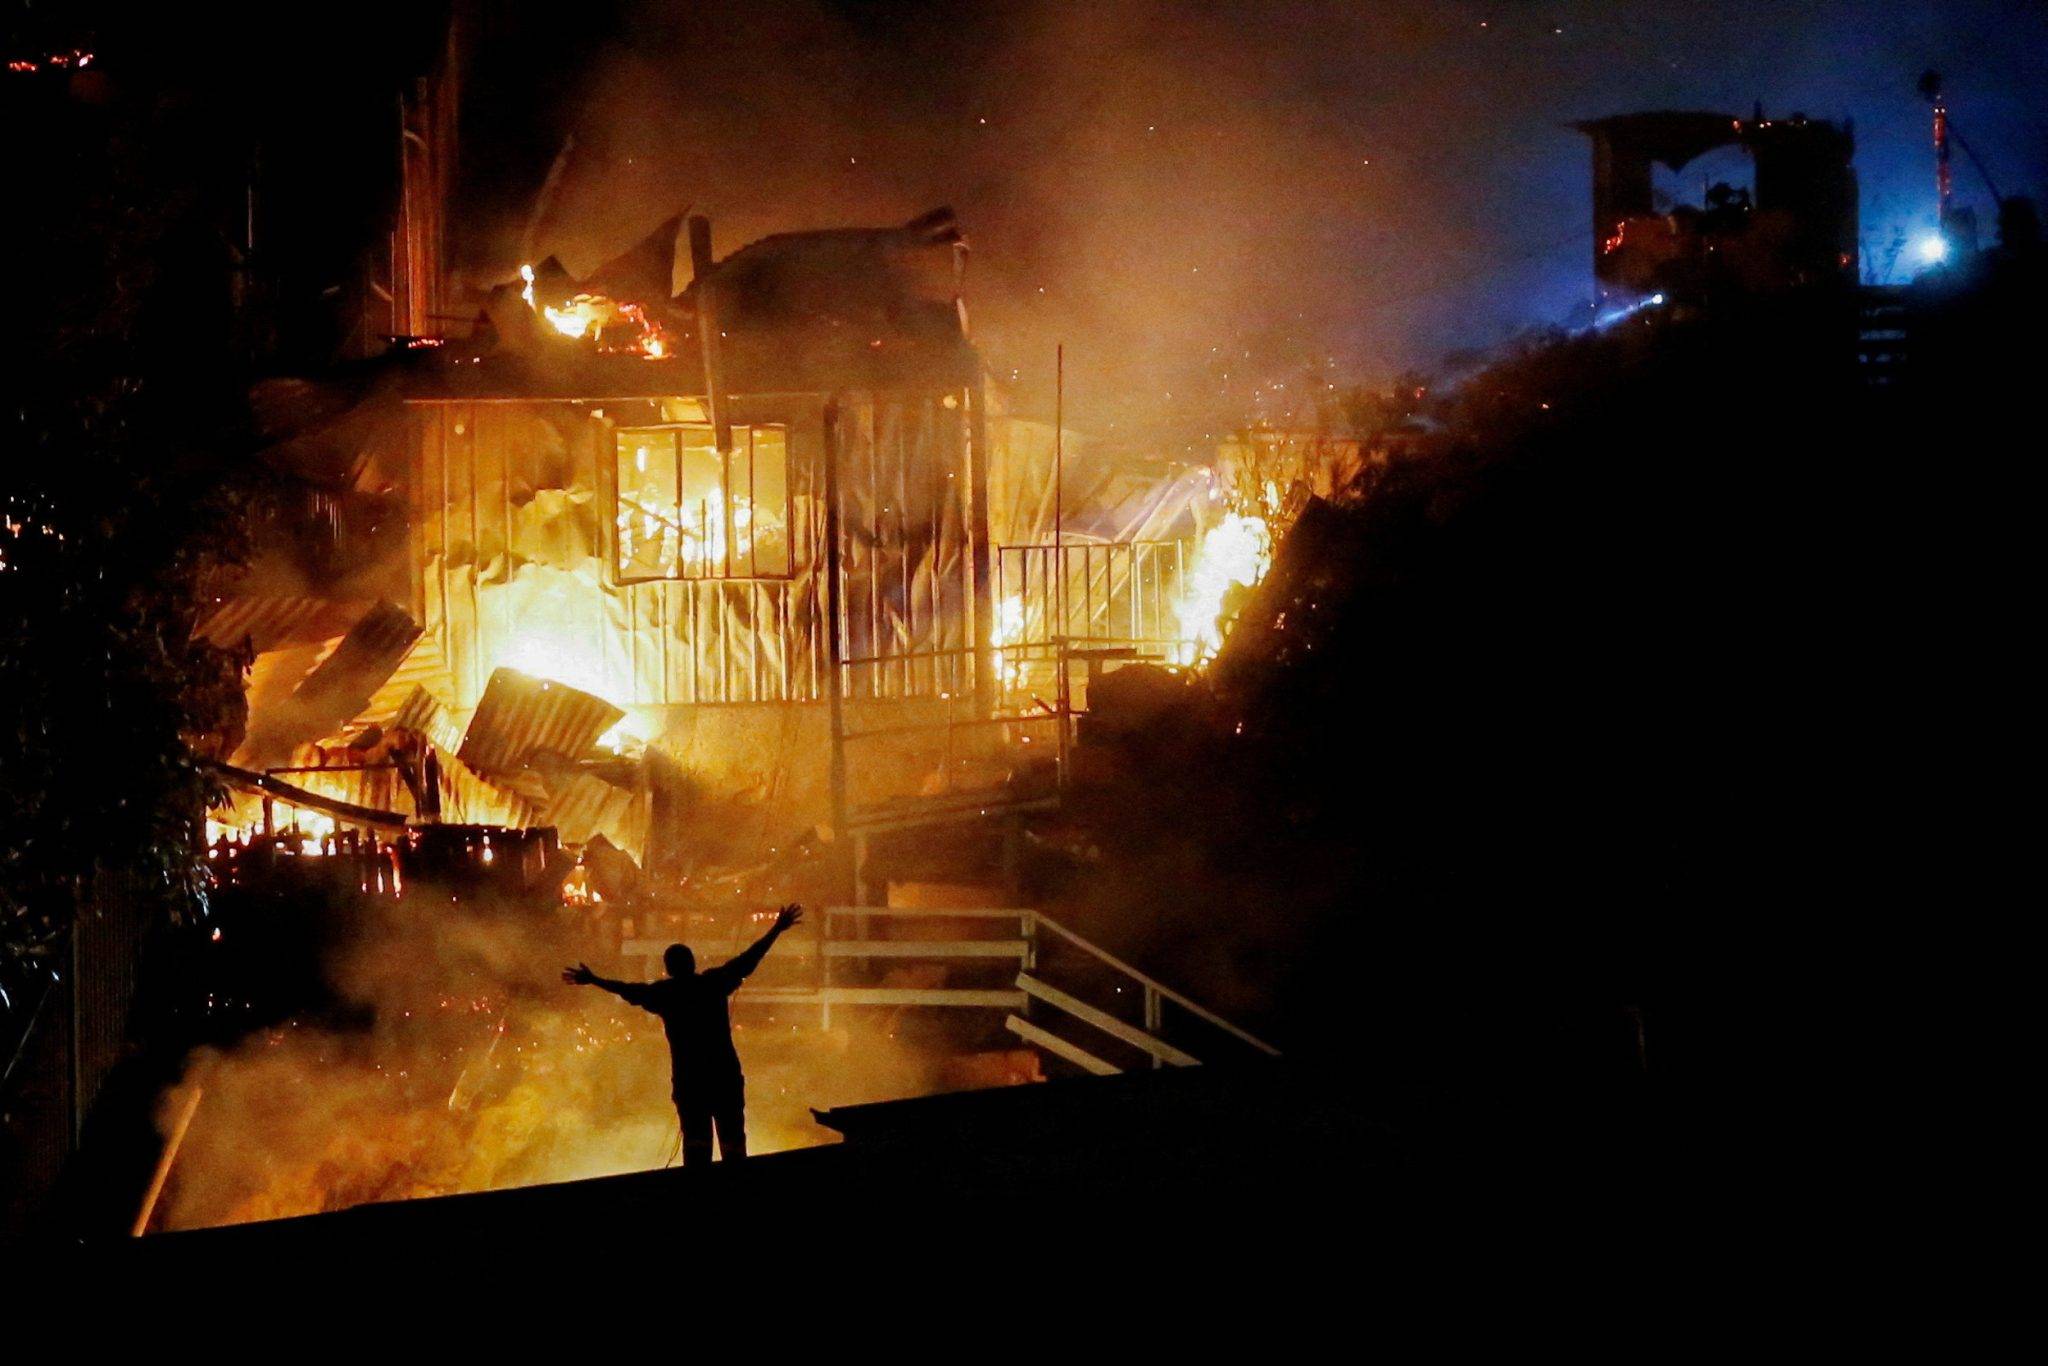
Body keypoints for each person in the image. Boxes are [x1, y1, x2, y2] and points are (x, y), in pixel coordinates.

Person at [563, 904, 803, 1166]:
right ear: (693, 963)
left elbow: (628, 990)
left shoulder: (666, 993)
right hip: (724, 1077)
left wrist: (594, 979)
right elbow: (749, 959)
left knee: (696, 1149)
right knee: (733, 1145)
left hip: (691, 1083)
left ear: (668, 969)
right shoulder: (713, 983)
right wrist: (777, 928)